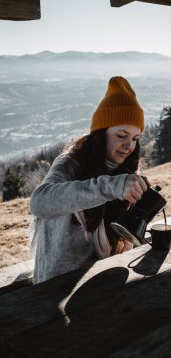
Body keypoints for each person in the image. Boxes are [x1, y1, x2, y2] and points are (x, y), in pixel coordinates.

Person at [29, 76, 149, 284]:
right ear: (101, 133)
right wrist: (110, 187)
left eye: (135, 138)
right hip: (56, 284)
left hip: (103, 279)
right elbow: (39, 202)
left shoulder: (127, 171)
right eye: (121, 135)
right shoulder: (70, 163)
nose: (129, 145)